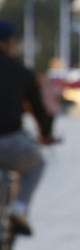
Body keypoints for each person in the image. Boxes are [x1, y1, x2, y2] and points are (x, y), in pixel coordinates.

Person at [0, 19, 55, 235]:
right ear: (10, 43)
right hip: (12, 141)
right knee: (37, 164)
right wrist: (46, 134)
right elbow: (39, 110)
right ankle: (19, 207)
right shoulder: (21, 72)